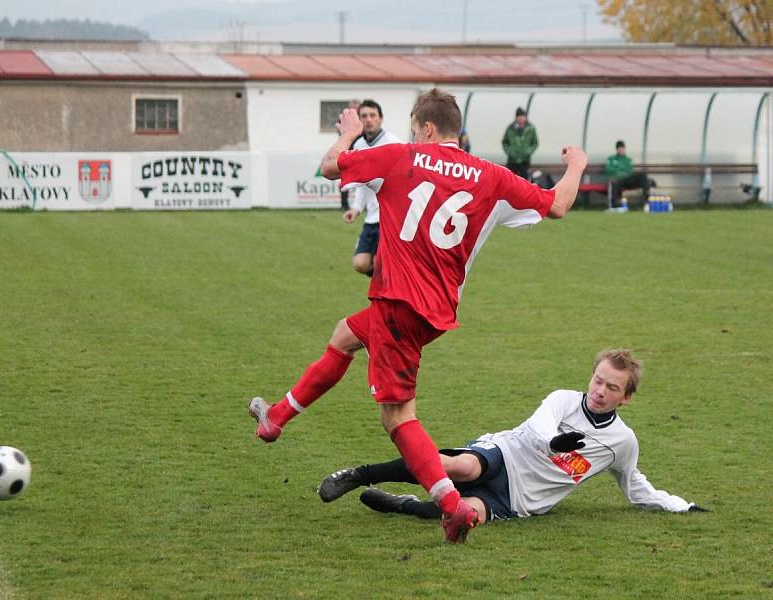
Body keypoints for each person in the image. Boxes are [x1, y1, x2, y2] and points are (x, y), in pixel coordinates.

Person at [248, 88, 588, 544]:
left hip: (397, 303)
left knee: (398, 417)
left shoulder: (399, 156)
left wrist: (349, 134)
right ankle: (276, 418)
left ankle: (451, 508)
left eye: (413, 127)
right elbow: (559, 205)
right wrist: (577, 165)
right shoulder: (491, 176)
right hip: (436, 312)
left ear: (426, 128)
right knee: (345, 335)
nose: (412, 134)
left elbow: (330, 166)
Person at [318, 349, 708, 525]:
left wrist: (680, 506)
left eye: (612, 387)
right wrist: (556, 444)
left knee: (461, 514)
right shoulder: (562, 400)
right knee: (461, 466)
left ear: (627, 397)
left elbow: (635, 485)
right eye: (598, 379)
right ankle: (358, 474)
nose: (600, 389)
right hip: (506, 453)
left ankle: (402, 505)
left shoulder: (622, 442)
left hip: (522, 499)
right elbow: (539, 429)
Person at [342, 100, 400, 277]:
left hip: (390, 217)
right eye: (364, 116)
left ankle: (386, 295)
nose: (369, 120)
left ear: (380, 119)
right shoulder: (359, 146)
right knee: (360, 263)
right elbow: (362, 183)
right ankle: (389, 285)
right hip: (371, 217)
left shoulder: (393, 144)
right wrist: (356, 208)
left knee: (381, 262)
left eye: (373, 115)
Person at [605, 140, 654, 210]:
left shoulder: (628, 159)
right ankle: (614, 205)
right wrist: (621, 170)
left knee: (642, 175)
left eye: (623, 148)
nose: (621, 150)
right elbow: (608, 170)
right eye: (620, 148)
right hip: (617, 180)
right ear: (617, 149)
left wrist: (617, 169)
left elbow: (629, 171)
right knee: (614, 183)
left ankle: (646, 201)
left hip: (627, 179)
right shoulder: (611, 159)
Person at [501, 107, 538, 180]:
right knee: (511, 180)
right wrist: (510, 151)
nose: (521, 118)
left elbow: (535, 143)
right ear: (516, 118)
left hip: (525, 160)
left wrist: (529, 151)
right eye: (519, 117)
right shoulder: (510, 128)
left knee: (524, 181)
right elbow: (505, 142)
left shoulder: (531, 128)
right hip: (512, 160)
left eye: (523, 117)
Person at [338, 100, 361, 210]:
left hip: (361, 152)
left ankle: (362, 204)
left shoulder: (362, 121)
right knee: (344, 180)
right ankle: (344, 204)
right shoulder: (344, 120)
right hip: (348, 152)